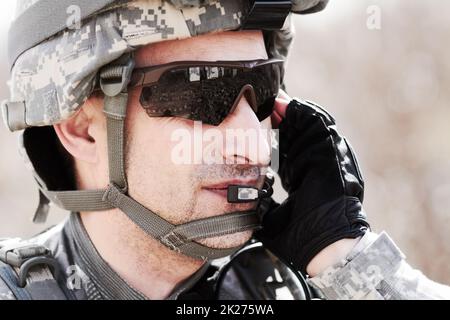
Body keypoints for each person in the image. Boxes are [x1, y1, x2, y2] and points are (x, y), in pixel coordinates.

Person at [0, 0, 449, 300]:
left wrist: (345, 259)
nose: (253, 143)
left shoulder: (299, 287)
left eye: (262, 93)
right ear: (82, 128)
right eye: (203, 95)